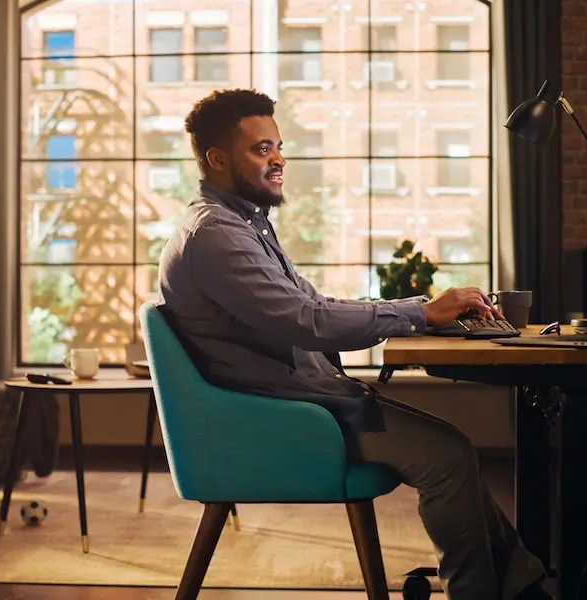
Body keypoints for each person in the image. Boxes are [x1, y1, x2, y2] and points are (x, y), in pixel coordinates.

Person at [156, 88, 551, 600]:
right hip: (283, 418)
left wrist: (424, 313)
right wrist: (420, 312)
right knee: (448, 456)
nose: (278, 160)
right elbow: (305, 321)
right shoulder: (216, 236)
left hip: (303, 402)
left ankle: (522, 588)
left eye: (278, 146)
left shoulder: (243, 225)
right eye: (261, 149)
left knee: (455, 451)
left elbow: (311, 304)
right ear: (217, 158)